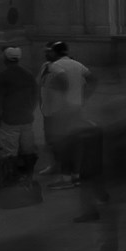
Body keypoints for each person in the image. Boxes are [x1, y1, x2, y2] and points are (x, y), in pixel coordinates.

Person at [40, 41, 92, 181]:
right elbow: (91, 78)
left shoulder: (56, 66)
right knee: (73, 141)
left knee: (62, 142)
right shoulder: (77, 64)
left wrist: (63, 98)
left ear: (56, 52)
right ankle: (74, 172)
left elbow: (62, 80)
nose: (46, 53)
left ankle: (66, 175)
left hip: (60, 110)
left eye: (49, 51)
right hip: (75, 107)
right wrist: (85, 96)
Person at [0, 46, 40, 175]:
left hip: (9, 120)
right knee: (28, 150)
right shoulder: (28, 75)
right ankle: (28, 177)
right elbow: (35, 95)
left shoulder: (3, 76)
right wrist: (30, 110)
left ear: (5, 59)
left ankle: (11, 178)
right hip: (26, 119)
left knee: (9, 152)